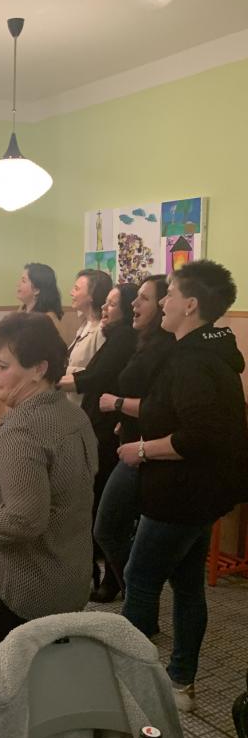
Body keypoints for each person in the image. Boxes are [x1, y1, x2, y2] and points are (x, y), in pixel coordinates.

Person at [118, 260, 248, 713]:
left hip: (180, 496)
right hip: (200, 496)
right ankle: (180, 683)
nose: (164, 303)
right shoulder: (209, 350)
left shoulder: (193, 360)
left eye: (169, 294)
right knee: (188, 584)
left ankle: (133, 686)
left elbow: (199, 435)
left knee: (139, 579)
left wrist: (142, 449)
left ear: (190, 305)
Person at [0, 312, 98, 692]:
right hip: (67, 578)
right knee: (47, 690)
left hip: (17, 590)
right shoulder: (71, 415)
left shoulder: (23, 429)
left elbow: (24, 520)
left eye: (3, 365)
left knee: (4, 692)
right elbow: (60, 484)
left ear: (38, 369)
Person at [92, 276, 174, 603]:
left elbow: (160, 407)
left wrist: (117, 404)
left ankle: (135, 589)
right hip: (131, 441)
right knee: (116, 526)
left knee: (107, 527)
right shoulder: (145, 341)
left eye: (144, 299)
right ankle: (130, 587)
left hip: (145, 452)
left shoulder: (166, 348)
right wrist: (122, 418)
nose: (134, 304)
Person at [68, 282, 139, 594]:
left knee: (104, 509)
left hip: (109, 430)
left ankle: (113, 579)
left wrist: (52, 383)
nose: (105, 308)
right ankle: (104, 575)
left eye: (112, 304)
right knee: (97, 504)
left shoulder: (124, 338)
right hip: (98, 423)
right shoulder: (115, 336)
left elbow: (96, 376)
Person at [0, 263, 63, 428]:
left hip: (27, 399)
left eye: (23, 280)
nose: (18, 284)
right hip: (8, 393)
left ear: (37, 289)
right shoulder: (20, 313)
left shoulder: (48, 320)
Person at [59, 268, 114, 406]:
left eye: (77, 289)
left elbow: (98, 373)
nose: (71, 293)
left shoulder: (102, 331)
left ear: (92, 295)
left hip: (86, 406)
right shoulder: (85, 325)